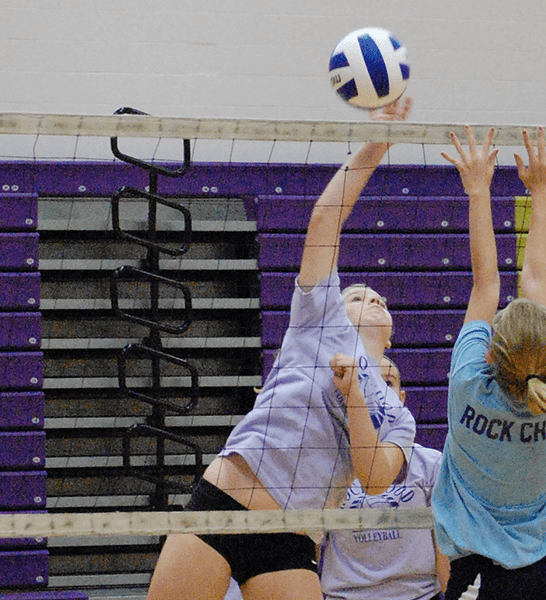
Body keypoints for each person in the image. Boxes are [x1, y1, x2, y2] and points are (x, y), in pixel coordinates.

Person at [146, 98, 417, 600]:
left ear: (393, 335)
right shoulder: (319, 319)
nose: (372, 295)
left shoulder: (397, 411)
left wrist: (357, 393)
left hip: (291, 537)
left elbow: (375, 478)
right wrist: (376, 147)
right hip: (226, 500)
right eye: (357, 294)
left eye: (378, 297)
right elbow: (324, 220)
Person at [433, 125, 546, 600]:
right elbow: (535, 278)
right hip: (542, 578)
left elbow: (486, 284)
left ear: (490, 355)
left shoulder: (470, 381)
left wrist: (477, 189)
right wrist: (542, 192)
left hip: (477, 578)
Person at [224, 356, 450, 600]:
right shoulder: (322, 467)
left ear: (402, 398)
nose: (377, 392)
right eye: (366, 382)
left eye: (388, 382)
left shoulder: (431, 465)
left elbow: (444, 554)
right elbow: (309, 551)